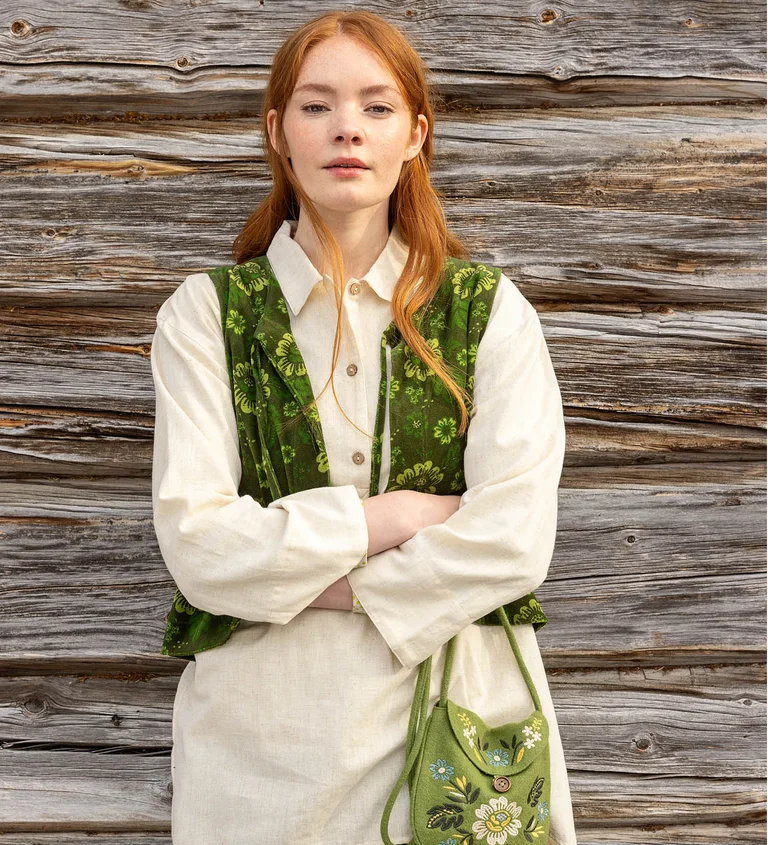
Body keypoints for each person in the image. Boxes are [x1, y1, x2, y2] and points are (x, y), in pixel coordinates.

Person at [150, 10, 577, 845]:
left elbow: (517, 536)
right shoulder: (207, 316)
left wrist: (301, 581)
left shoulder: (488, 312)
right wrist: (395, 517)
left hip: (465, 732)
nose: (347, 127)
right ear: (278, 130)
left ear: (416, 133)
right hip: (264, 753)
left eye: (377, 107)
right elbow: (200, 550)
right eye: (317, 106)